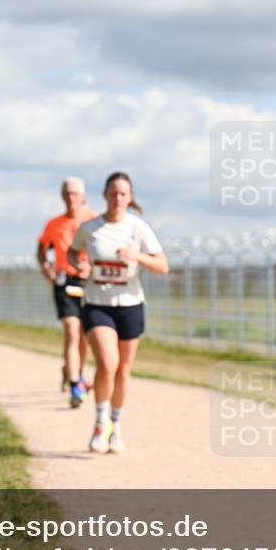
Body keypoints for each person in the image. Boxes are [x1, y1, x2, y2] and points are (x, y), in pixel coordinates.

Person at [69, 172, 169, 454]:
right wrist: (80, 265)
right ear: (105, 195)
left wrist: (135, 256)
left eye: (123, 193)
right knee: (108, 363)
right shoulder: (90, 228)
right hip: (97, 304)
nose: (118, 198)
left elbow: (163, 265)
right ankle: (100, 422)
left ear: (130, 197)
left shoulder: (138, 228)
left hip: (130, 304)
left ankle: (116, 426)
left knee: (123, 371)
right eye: (113, 193)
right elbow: (72, 252)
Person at [37, 177, 99, 406]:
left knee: (85, 335)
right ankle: (75, 385)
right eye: (67, 193)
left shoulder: (94, 219)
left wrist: (92, 267)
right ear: (62, 196)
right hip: (64, 281)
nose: (71, 197)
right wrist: (46, 268)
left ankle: (75, 371)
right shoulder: (54, 224)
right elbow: (42, 248)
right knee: (72, 330)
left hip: (89, 282)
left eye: (75, 193)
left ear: (82, 195)